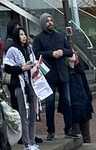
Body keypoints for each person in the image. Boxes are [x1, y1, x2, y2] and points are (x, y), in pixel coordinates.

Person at [31, 12, 74, 140]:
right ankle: (51, 131)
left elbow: (70, 51)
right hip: (49, 76)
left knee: (67, 101)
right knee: (49, 104)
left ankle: (69, 128)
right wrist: (51, 54)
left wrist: (62, 52)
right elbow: (36, 53)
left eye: (51, 20)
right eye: (47, 21)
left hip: (62, 74)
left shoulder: (60, 36)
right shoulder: (38, 39)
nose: (50, 23)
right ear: (43, 23)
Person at [3, 25, 38, 150]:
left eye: (25, 34)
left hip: (32, 84)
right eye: (21, 34)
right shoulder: (13, 50)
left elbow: (34, 62)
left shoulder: (29, 49)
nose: (24, 37)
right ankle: (26, 143)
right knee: (24, 114)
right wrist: (22, 68)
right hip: (20, 84)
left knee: (33, 113)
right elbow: (7, 67)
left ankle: (33, 140)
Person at [67, 47, 94, 144]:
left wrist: (89, 99)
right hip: (74, 108)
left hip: (84, 106)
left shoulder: (80, 70)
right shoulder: (66, 72)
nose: (74, 58)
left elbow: (86, 86)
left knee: (86, 135)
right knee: (77, 137)